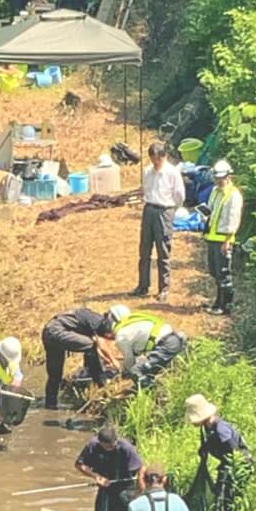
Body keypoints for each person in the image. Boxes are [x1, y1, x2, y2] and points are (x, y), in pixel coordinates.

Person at [186, 394, 254, 511]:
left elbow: (233, 451)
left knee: (225, 498)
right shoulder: (207, 428)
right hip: (227, 464)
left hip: (238, 465)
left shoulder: (220, 429)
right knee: (221, 495)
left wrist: (230, 470)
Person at [75, 424, 144, 511]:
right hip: (105, 488)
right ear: (100, 443)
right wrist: (96, 476)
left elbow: (141, 467)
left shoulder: (125, 447)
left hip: (125, 488)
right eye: (108, 447)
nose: (112, 448)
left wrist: (141, 487)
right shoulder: (92, 446)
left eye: (114, 445)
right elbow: (79, 465)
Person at [129, 143, 185, 303]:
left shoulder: (172, 173)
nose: (155, 163)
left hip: (164, 210)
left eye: (157, 160)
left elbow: (179, 195)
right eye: (152, 160)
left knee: (163, 251)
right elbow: (146, 189)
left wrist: (171, 211)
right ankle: (143, 285)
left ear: (163, 157)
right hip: (149, 209)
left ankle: (163, 288)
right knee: (144, 249)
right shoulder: (148, 171)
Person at [41, 307, 119, 410]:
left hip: (49, 333)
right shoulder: (97, 321)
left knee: (55, 374)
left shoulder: (97, 324)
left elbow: (98, 348)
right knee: (90, 346)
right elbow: (100, 345)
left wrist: (107, 360)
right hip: (57, 331)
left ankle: (50, 405)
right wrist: (114, 361)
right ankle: (99, 381)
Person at [108, 305, 187, 389]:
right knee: (147, 367)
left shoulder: (121, 335)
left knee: (136, 370)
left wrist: (124, 372)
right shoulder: (137, 321)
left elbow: (129, 360)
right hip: (176, 339)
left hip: (166, 346)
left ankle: (151, 391)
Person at [202, 160, 244, 315]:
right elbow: (211, 209)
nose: (219, 181)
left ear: (229, 176)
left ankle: (225, 305)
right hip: (212, 236)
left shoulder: (233, 195)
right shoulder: (215, 191)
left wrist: (227, 240)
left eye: (221, 178)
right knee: (214, 271)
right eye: (216, 178)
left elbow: (233, 219)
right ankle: (217, 302)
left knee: (223, 272)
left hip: (223, 239)